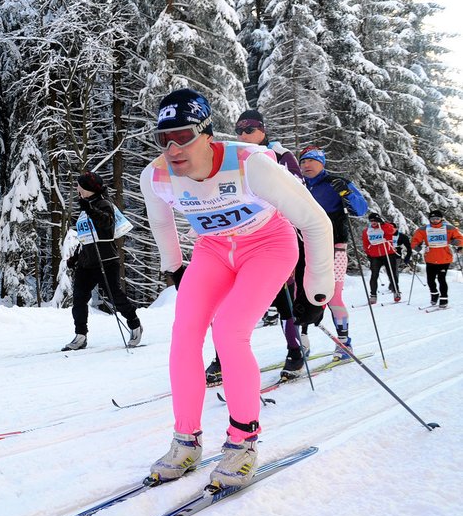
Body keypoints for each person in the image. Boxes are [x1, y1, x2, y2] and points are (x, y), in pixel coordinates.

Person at [140, 89, 333, 489]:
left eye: (184, 136)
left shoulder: (251, 164)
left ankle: (243, 443)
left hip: (268, 245)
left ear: (207, 134)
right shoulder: (156, 176)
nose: (173, 148)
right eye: (164, 138)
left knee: (228, 331)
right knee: (184, 333)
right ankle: (186, 440)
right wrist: (174, 269)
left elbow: (316, 223)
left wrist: (317, 290)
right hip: (213, 250)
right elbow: (162, 225)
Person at [207, 110, 310, 383]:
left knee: (283, 296)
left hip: (275, 238)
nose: (243, 135)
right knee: (227, 301)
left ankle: (295, 351)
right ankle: (222, 358)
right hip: (240, 237)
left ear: (263, 130)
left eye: (250, 130)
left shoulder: (281, 156)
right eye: (239, 131)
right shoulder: (235, 157)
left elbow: (298, 191)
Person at [298, 146, 369, 360]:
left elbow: (361, 210)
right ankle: (302, 344)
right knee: (301, 296)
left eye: (311, 160)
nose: (306, 165)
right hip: (304, 248)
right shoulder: (297, 186)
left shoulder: (336, 182)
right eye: (302, 161)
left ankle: (345, 344)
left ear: (322, 163)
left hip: (334, 247)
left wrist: (346, 193)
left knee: (333, 297)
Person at [63, 171, 143, 351]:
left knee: (114, 296)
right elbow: (85, 237)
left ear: (89, 188)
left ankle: (135, 324)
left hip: (106, 259)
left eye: (80, 185)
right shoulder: (85, 207)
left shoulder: (104, 204)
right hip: (86, 262)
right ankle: (80, 336)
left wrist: (89, 209)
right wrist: (75, 257)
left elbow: (106, 224)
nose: (77, 188)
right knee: (79, 298)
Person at [410, 208, 463, 308]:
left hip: (444, 258)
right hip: (430, 258)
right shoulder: (423, 230)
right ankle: (434, 294)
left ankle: (444, 299)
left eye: (437, 218)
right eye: (433, 218)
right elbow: (414, 242)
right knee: (430, 280)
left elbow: (460, 239)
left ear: (441, 219)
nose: (435, 220)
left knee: (441, 279)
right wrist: (418, 248)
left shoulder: (449, 228)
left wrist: (456, 242)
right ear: (429, 219)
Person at [362, 212, 401, 303]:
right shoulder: (367, 231)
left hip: (388, 253)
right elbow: (365, 243)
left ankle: (396, 291)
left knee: (392, 274)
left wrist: (383, 224)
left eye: (375, 220)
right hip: (375, 256)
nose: (373, 222)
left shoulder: (384, 227)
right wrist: (368, 253)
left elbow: (392, 231)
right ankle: (373, 295)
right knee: (374, 275)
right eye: (371, 221)